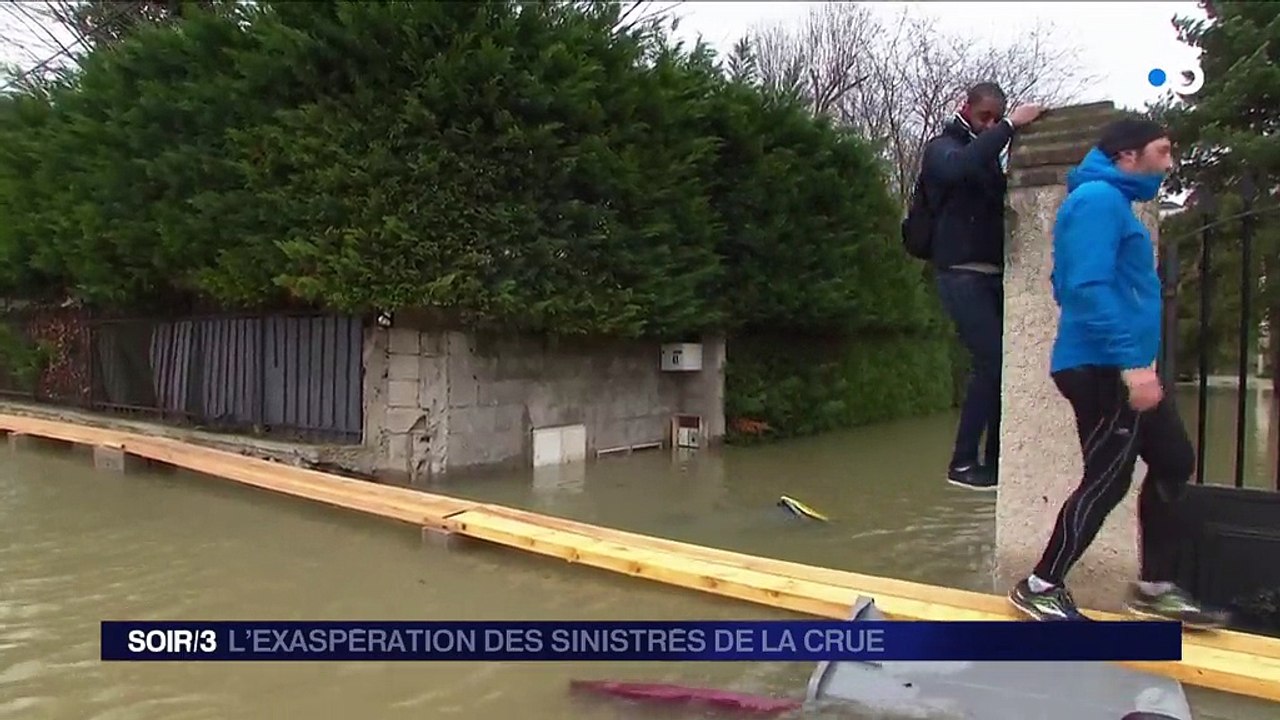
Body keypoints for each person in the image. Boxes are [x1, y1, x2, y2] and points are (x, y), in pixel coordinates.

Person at [1007, 118, 1228, 627]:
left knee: (1173, 461)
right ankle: (1040, 586)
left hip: (1124, 365)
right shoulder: (1097, 202)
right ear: (1129, 155)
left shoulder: (1112, 203)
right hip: (1103, 367)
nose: (1169, 165)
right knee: (1108, 478)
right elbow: (1084, 287)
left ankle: (1153, 588)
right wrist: (1131, 364)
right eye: (1163, 152)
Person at [921, 83, 1042, 490]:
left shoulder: (986, 157)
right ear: (965, 108)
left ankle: (995, 459)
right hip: (960, 273)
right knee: (991, 361)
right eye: (984, 116)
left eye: (996, 117)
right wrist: (1009, 125)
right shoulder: (942, 148)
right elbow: (958, 168)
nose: (989, 123)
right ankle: (961, 462)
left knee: (1003, 367)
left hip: (992, 275)